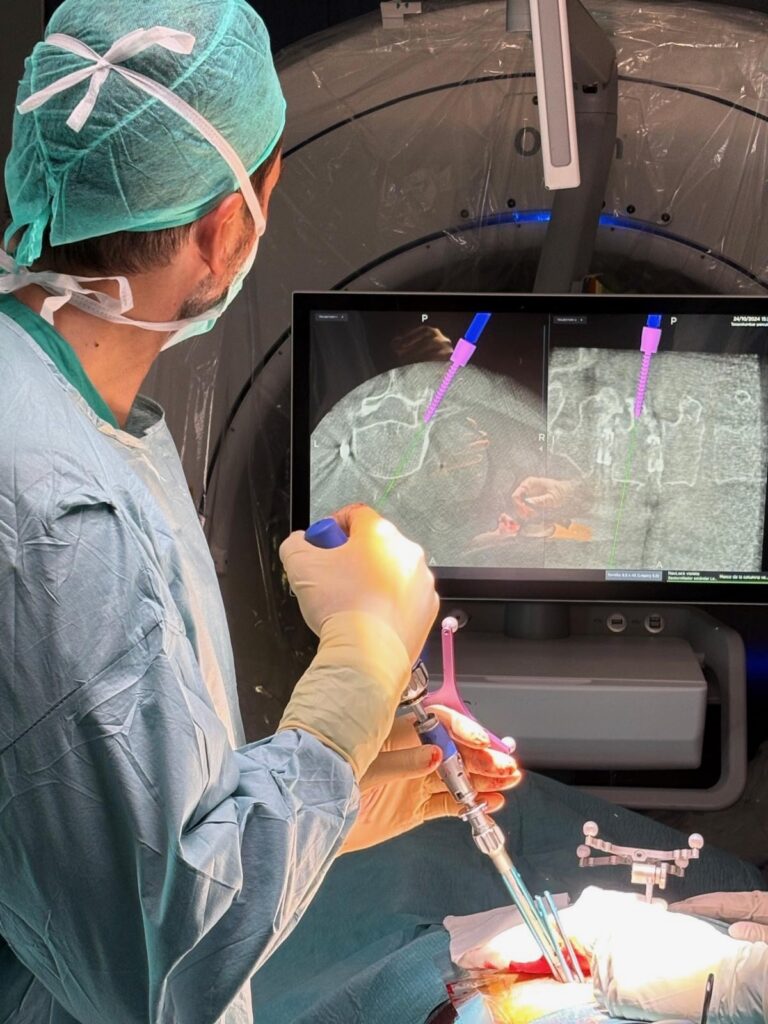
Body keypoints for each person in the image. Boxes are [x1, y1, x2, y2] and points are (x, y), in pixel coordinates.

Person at [0, 2, 520, 1023]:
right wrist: (363, 657)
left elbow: (74, 823)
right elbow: (157, 967)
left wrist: (335, 792)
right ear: (224, 229)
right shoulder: (60, 515)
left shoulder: (57, 410)